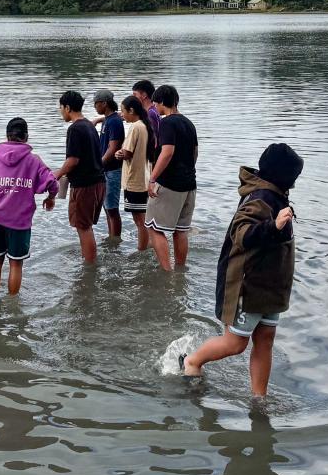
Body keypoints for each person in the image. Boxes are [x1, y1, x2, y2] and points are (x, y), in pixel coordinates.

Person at [181, 143, 304, 397]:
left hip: (271, 287)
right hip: (248, 285)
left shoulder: (276, 194)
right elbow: (241, 235)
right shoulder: (260, 198)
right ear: (282, 175)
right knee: (235, 343)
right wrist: (274, 226)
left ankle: (259, 398)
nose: (295, 182)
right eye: (294, 176)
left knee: (266, 339)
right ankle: (192, 362)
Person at [0, 117, 59, 299]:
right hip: (19, 223)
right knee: (15, 264)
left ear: (6, 136)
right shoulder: (33, 161)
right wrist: (50, 198)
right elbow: (52, 182)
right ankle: (13, 305)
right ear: (26, 137)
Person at [145, 84, 198, 271]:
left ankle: (167, 272)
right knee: (181, 230)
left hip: (170, 184)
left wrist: (152, 179)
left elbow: (167, 152)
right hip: (190, 184)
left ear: (161, 103)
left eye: (155, 104)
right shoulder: (188, 123)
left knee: (154, 228)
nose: (154, 108)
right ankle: (180, 269)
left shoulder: (167, 123)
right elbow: (195, 153)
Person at [52, 90, 105, 264]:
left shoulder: (75, 129)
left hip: (84, 185)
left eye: (61, 108)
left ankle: (89, 269)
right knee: (86, 227)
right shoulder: (89, 125)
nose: (61, 111)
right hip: (98, 182)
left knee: (83, 228)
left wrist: (57, 174)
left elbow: (73, 160)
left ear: (67, 107)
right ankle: (89, 261)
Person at [115, 94, 156, 252]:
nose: (122, 115)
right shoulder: (145, 125)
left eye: (123, 111)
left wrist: (118, 154)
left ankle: (142, 250)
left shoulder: (135, 127)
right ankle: (149, 246)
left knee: (140, 222)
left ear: (131, 110)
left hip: (134, 181)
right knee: (144, 219)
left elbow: (127, 152)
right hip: (144, 179)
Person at [94, 89, 125, 244]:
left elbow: (113, 148)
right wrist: (97, 120)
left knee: (112, 209)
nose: (95, 106)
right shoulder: (108, 119)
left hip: (112, 170)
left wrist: (98, 165)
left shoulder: (114, 122)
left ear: (104, 103)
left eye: (96, 103)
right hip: (106, 170)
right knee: (107, 208)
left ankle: (116, 240)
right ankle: (111, 237)